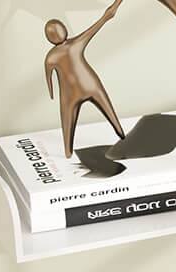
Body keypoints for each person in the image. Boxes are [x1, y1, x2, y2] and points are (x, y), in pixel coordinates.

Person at [44, 0, 126, 159]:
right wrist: (112, 9)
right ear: (63, 31)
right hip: (90, 83)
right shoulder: (74, 43)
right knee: (106, 109)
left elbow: (49, 80)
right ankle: (119, 131)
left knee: (68, 119)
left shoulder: (51, 57)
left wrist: (52, 94)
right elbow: (99, 24)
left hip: (69, 93)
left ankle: (68, 150)